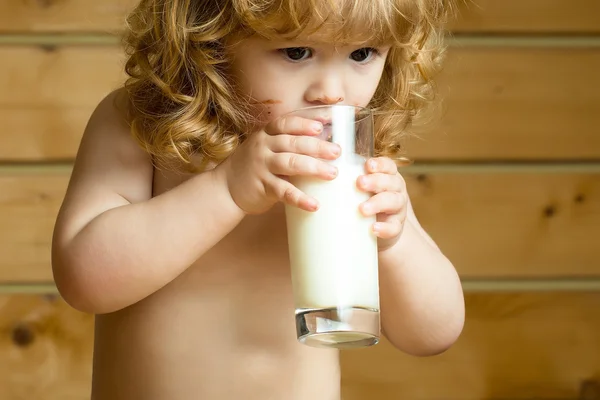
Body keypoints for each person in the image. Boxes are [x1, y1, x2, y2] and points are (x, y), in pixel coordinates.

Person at [51, 0, 465, 398]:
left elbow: (433, 333)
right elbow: (84, 280)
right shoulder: (146, 125)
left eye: (362, 54)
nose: (332, 93)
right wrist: (226, 189)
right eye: (297, 52)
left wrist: (394, 243)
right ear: (211, 39)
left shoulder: (352, 162)